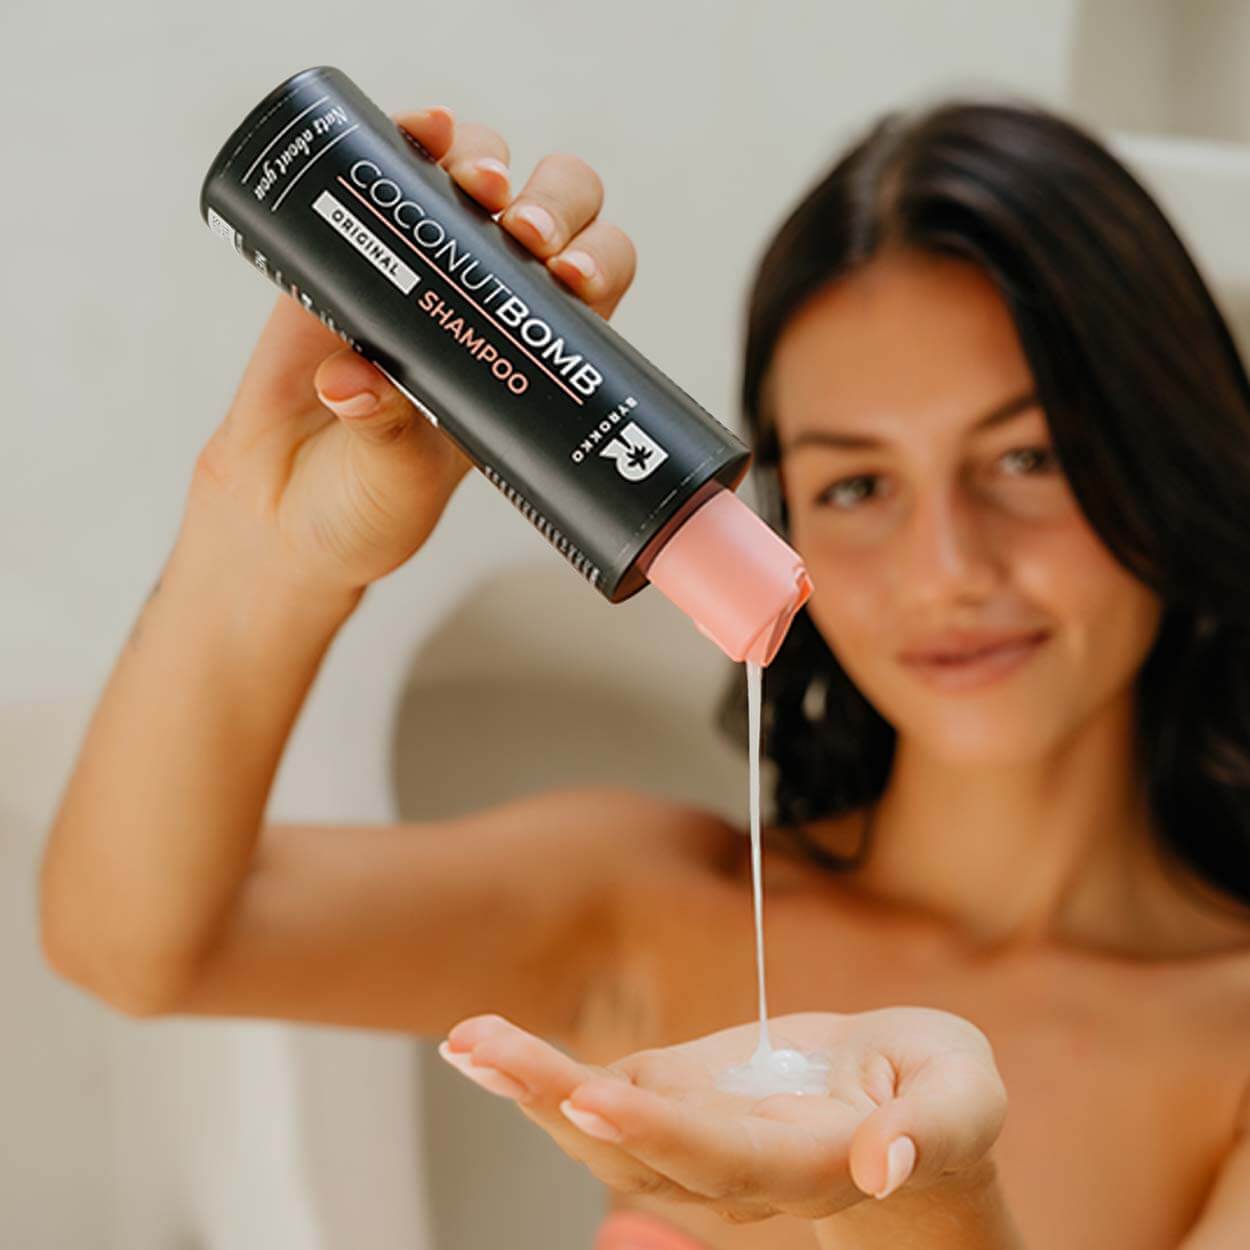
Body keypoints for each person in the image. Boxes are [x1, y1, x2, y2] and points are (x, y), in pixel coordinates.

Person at [39, 91, 1250, 1250]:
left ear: (1168, 451)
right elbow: (138, 942)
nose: (946, 567)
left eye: (1027, 457)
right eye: (854, 484)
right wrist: (276, 545)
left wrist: (918, 1199)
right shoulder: (643, 904)